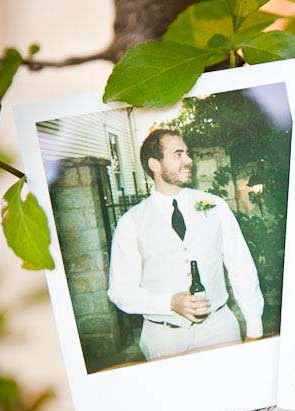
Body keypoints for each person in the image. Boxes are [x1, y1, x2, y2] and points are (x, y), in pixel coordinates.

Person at [107, 128, 264, 360]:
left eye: (187, 153)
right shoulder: (130, 222)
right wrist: (169, 303)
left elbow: (241, 266)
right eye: (178, 154)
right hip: (163, 340)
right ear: (155, 164)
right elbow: (120, 291)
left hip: (219, 330)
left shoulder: (215, 206)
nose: (189, 160)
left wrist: (254, 326)